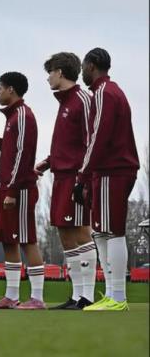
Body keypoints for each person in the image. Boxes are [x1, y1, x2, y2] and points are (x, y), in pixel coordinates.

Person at [75, 48, 139, 311]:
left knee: (113, 231)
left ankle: (118, 297)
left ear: (91, 65)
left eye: (83, 66)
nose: (82, 71)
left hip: (113, 170)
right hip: (110, 170)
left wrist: (82, 176)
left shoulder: (104, 93)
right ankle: (112, 293)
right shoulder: (110, 91)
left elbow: (98, 137)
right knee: (102, 231)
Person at [0, 72, 46, 310]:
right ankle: (11, 296)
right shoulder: (13, 117)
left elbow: (23, 155)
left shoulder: (23, 116)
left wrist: (13, 190)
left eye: (0, 88)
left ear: (11, 90)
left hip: (20, 189)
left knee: (27, 240)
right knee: (9, 241)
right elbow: (11, 149)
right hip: (8, 187)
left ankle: (37, 297)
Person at [35, 52, 96, 310]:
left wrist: (83, 178)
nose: (48, 78)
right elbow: (66, 143)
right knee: (65, 233)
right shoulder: (64, 102)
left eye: (50, 72)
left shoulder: (83, 99)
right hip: (60, 176)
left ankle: (88, 297)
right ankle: (76, 295)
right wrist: (47, 163)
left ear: (60, 72)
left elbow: (90, 141)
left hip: (76, 177)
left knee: (81, 232)